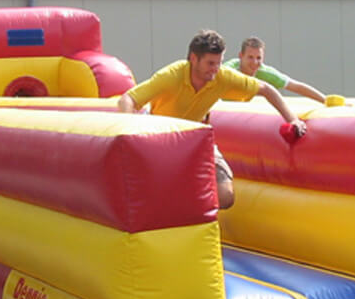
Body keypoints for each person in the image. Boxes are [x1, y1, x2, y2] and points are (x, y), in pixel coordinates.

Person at [117, 29, 306, 210]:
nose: (215, 69)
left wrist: (293, 120)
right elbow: (127, 99)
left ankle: (197, 214)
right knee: (158, 190)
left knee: (225, 195)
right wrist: (129, 134)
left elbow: (266, 89)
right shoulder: (171, 76)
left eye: (219, 63)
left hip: (195, 138)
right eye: (210, 63)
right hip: (161, 138)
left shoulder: (222, 77)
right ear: (193, 59)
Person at [223, 36, 336, 105]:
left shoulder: (265, 73)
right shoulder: (229, 70)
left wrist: (325, 100)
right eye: (250, 57)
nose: (255, 62)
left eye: (259, 58)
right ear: (241, 56)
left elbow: (296, 86)